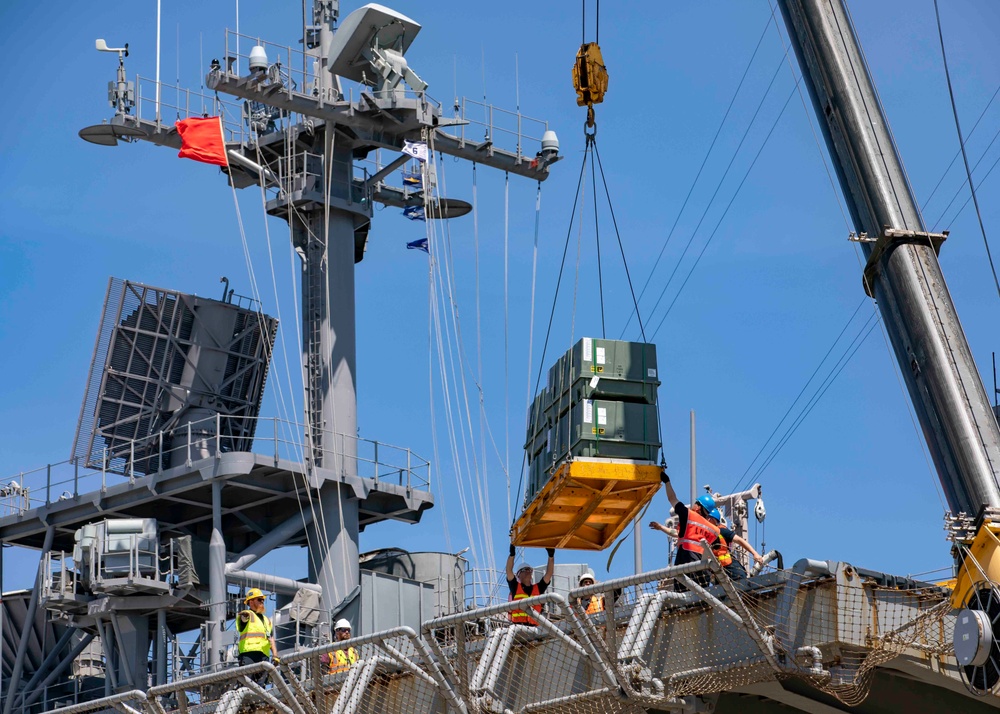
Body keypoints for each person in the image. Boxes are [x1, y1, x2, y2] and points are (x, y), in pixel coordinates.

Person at [649, 471, 719, 590]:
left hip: (685, 563)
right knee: (700, 601)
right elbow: (678, 534)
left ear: (698, 506)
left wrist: (667, 482)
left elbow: (672, 499)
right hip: (703, 571)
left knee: (683, 596)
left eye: (696, 503)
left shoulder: (689, 515)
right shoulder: (714, 530)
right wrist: (661, 527)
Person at [707, 507, 762, 581]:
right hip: (719, 572)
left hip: (732, 569)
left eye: (708, 518)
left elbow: (740, 540)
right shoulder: (705, 536)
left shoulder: (721, 531)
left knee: (742, 586)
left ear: (712, 519)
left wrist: (755, 553)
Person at [236, 588, 279, 680]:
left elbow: (270, 638)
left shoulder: (266, 620)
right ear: (251, 602)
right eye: (259, 599)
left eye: (263, 600)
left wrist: (275, 655)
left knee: (260, 687)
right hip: (249, 655)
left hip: (264, 656)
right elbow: (243, 618)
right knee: (247, 683)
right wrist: (244, 616)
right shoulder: (247, 614)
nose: (262, 601)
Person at [506, 543, 555, 625]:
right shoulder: (515, 587)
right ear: (519, 574)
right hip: (518, 627)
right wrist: (512, 555)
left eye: (529, 570)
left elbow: (549, 574)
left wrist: (551, 557)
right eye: (525, 570)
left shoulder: (538, 588)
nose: (528, 571)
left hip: (534, 629)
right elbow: (509, 571)